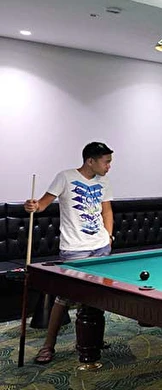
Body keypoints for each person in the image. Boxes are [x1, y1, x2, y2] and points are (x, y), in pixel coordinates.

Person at [23, 142, 115, 364]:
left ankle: (93, 338)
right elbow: (42, 204)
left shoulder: (104, 181)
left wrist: (109, 237)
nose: (109, 166)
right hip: (75, 249)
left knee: (98, 295)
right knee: (63, 297)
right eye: (106, 162)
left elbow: (107, 211)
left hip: (101, 246)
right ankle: (48, 346)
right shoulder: (65, 177)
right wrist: (33, 206)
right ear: (90, 161)